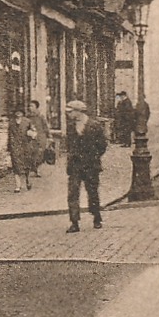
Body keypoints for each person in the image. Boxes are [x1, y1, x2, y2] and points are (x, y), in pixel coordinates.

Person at [63, 99, 107, 232]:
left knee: (92, 191)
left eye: (70, 112)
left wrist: (93, 157)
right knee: (72, 193)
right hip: (75, 165)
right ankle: (74, 222)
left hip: (90, 165)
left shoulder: (94, 125)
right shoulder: (70, 127)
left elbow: (102, 145)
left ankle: (96, 216)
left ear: (78, 111)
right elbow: (69, 145)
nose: (68, 115)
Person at [8, 108, 37, 192]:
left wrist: (32, 134)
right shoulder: (11, 122)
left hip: (26, 145)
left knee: (26, 164)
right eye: (17, 112)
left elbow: (34, 131)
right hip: (15, 146)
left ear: (22, 113)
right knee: (16, 165)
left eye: (20, 112)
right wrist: (9, 146)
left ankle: (28, 180)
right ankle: (18, 185)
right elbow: (10, 135)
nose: (18, 113)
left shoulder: (28, 121)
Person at [28, 99, 51, 177]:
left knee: (40, 154)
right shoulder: (28, 117)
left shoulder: (41, 116)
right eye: (29, 106)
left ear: (36, 107)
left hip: (41, 138)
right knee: (32, 153)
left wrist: (49, 136)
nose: (30, 107)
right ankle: (34, 169)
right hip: (31, 138)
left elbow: (45, 127)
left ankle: (38, 170)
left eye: (32, 106)